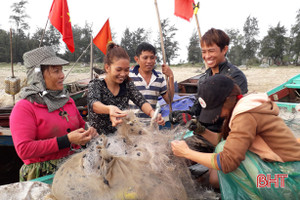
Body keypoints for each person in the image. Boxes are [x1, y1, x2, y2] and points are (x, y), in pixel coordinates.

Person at [171, 74, 300, 199]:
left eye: (217, 110)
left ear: (229, 100)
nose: (219, 116)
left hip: (287, 183)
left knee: (222, 151)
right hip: (288, 175)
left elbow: (228, 162)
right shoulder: (247, 106)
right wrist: (201, 130)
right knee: (222, 151)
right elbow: (230, 144)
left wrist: (186, 152)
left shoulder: (245, 115)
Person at [10, 46, 98, 181]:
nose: (62, 75)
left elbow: (80, 126)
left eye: (61, 70)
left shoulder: (66, 100)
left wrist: (89, 132)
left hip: (74, 167)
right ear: (38, 75)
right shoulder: (24, 108)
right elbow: (24, 149)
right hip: (43, 176)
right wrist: (66, 140)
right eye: (56, 71)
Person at [170, 28, 248, 133]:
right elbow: (198, 109)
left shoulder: (235, 76)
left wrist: (199, 123)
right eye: (204, 52)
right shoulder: (204, 79)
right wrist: (182, 114)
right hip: (205, 130)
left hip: (226, 132)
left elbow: (234, 111)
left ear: (224, 50)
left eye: (211, 51)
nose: (207, 56)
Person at [88, 42, 165, 135]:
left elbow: (140, 100)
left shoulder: (127, 84)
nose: (123, 74)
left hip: (120, 139)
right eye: (118, 70)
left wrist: (152, 113)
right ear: (107, 67)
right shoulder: (96, 84)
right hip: (98, 139)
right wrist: (109, 109)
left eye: (126, 70)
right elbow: (94, 104)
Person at [129, 42, 174, 123]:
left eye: (152, 58)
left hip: (152, 125)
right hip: (133, 125)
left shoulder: (159, 77)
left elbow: (169, 100)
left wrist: (171, 77)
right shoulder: (129, 76)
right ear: (137, 59)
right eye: (145, 58)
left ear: (155, 58)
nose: (149, 61)